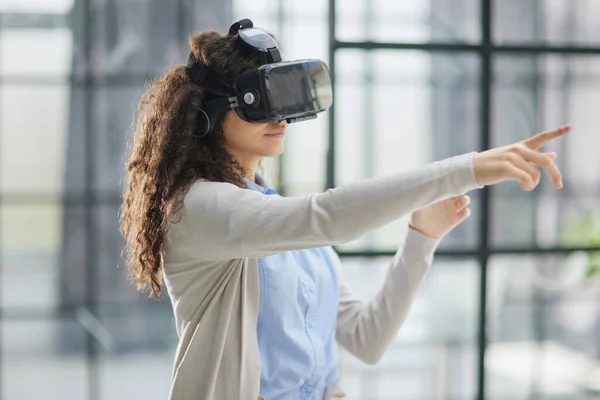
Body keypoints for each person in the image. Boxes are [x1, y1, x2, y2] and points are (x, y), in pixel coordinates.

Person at [119, 20, 571, 400]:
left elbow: (366, 338)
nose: (280, 120)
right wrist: (468, 168)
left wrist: (421, 238)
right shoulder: (202, 208)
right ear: (208, 115)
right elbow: (326, 217)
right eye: (260, 104)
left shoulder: (271, 210)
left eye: (283, 100)